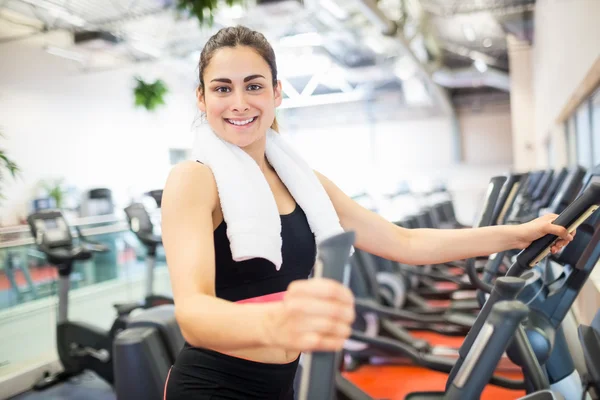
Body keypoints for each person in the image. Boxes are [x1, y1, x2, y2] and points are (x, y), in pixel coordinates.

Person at [160, 25, 574, 400]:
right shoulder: (193, 180)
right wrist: (277, 323)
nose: (239, 103)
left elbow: (404, 241)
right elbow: (193, 313)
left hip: (284, 383)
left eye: (253, 86)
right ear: (202, 97)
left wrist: (517, 234)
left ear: (276, 93)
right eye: (221, 88)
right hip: (214, 386)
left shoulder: (303, 182)